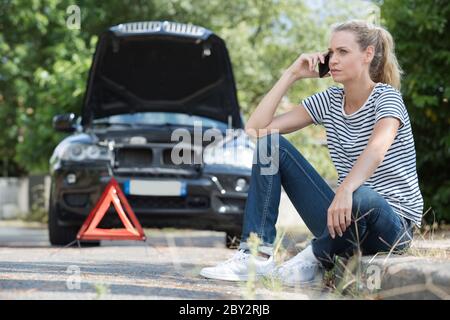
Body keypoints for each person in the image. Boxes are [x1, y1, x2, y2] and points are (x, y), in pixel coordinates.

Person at [199, 19, 424, 285]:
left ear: (367, 55)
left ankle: (313, 256)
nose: (334, 60)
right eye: (331, 52)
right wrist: (291, 74)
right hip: (343, 218)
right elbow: (256, 130)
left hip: (392, 224)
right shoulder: (329, 101)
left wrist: (345, 189)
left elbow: (378, 148)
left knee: (363, 196)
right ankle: (256, 255)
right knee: (270, 144)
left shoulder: (386, 97)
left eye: (343, 51)